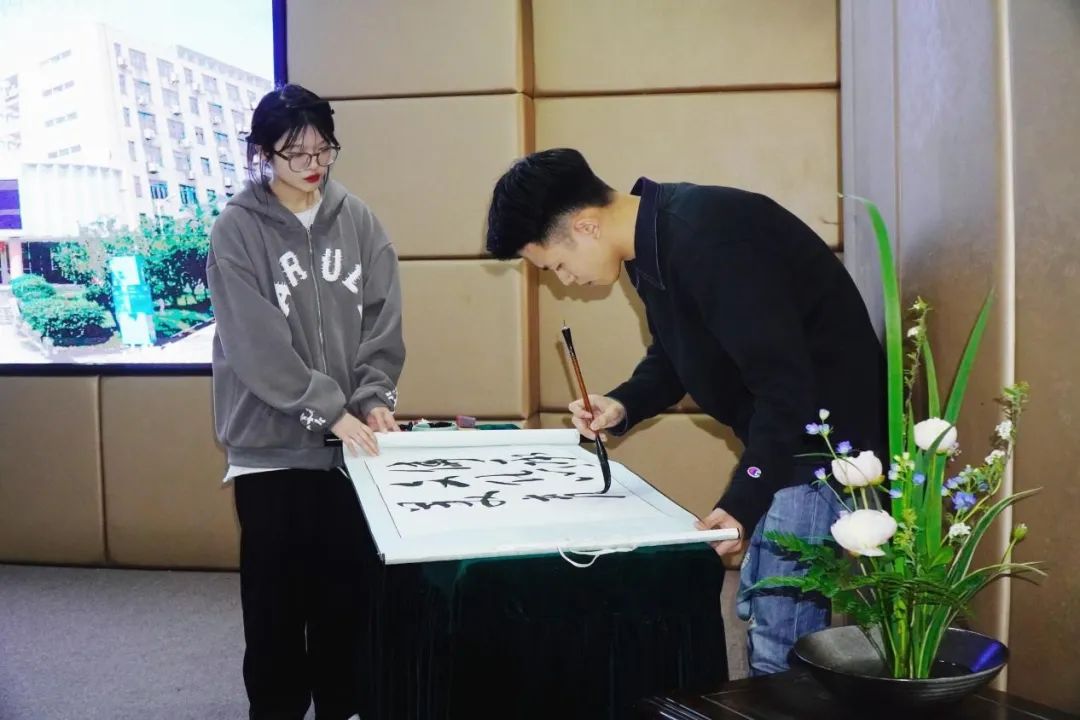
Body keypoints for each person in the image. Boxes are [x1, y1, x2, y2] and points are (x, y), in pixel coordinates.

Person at [483, 147, 885, 675]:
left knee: (779, 642)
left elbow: (785, 388)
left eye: (557, 264)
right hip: (788, 438)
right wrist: (622, 404)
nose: (565, 279)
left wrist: (742, 501)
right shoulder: (651, 243)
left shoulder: (708, 237)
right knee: (764, 617)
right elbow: (677, 354)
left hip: (822, 446)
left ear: (586, 226)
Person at [207, 83, 405, 719]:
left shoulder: (359, 220)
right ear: (262, 153)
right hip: (269, 450)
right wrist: (330, 409)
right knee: (275, 612)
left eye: (324, 149)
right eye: (295, 153)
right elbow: (255, 346)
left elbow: (382, 323)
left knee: (345, 602)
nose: (313, 164)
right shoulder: (237, 230)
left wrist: (372, 398)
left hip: (347, 453)